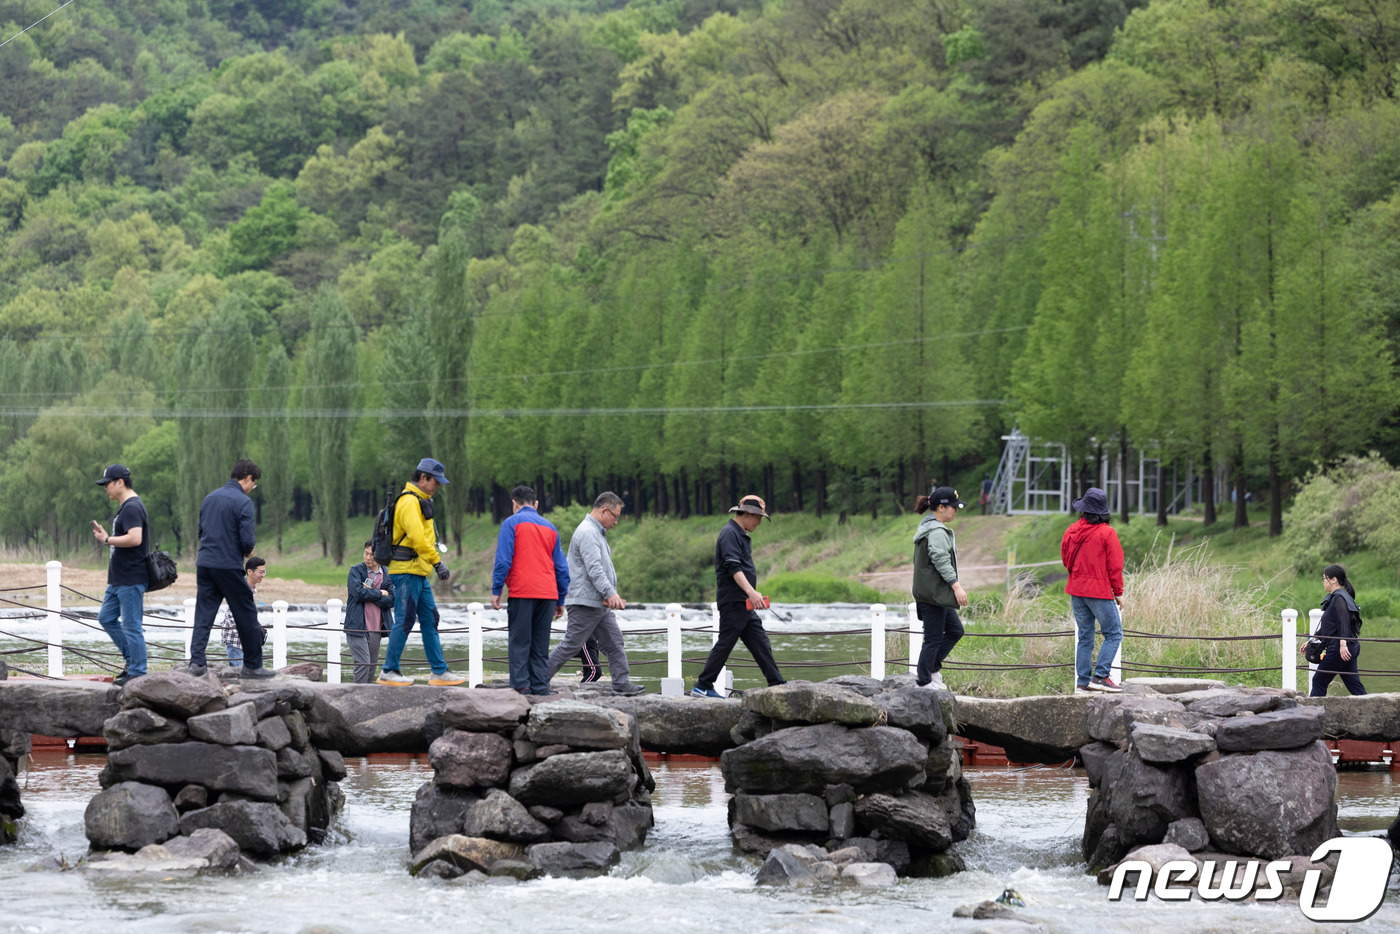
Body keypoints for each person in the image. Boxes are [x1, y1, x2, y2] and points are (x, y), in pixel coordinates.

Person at [544, 492, 646, 696]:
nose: (617, 521)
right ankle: (538, 679)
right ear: (604, 510)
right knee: (572, 644)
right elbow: (595, 568)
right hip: (586, 602)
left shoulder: (595, 532)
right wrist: (611, 593)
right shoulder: (588, 532)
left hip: (598, 602)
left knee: (614, 641)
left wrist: (609, 596)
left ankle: (621, 683)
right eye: (615, 516)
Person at [378, 458, 466, 686]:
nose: (438, 486)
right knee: (405, 619)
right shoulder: (409, 501)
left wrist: (431, 565)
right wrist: (438, 563)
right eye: (435, 481)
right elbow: (417, 538)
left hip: (418, 571)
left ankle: (439, 671)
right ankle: (389, 670)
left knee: (430, 618)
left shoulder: (420, 501)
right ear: (423, 478)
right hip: (407, 570)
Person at [691, 494, 786, 698]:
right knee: (725, 643)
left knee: (760, 641)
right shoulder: (729, 534)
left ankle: (777, 683)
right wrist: (752, 592)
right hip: (735, 602)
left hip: (743, 603)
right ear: (746, 514)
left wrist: (750, 596)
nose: (759, 522)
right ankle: (703, 685)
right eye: (758, 518)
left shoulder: (739, 534)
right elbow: (733, 567)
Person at [189, 460, 272, 679]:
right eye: (253, 483)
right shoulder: (243, 502)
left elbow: (201, 532)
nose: (252, 488)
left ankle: (197, 663)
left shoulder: (210, 498)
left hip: (205, 563)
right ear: (247, 479)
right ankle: (253, 666)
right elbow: (246, 541)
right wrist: (248, 550)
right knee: (246, 613)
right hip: (227, 565)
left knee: (204, 613)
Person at [492, 485, 570, 695]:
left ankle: (522, 687)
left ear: (514, 504)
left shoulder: (511, 523)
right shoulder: (551, 528)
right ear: (536, 504)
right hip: (548, 593)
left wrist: (496, 589)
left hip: (522, 591)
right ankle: (541, 686)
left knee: (519, 641)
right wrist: (560, 599)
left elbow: (503, 560)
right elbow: (562, 568)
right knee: (540, 643)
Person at [1062, 487, 1124, 693]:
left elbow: (1065, 559)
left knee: (1085, 636)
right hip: (1098, 591)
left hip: (1076, 590)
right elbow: (1114, 566)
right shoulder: (1108, 533)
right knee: (1114, 633)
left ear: (1083, 510)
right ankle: (1101, 676)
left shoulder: (1071, 531)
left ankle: (1083, 681)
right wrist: (1118, 592)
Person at [91, 464, 149, 687]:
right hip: (118, 578)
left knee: (132, 625)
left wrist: (107, 540)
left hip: (131, 577)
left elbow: (135, 538)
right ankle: (132, 662)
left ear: (119, 482)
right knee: (105, 618)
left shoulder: (133, 507)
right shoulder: (126, 507)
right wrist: (108, 537)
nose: (105, 488)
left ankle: (138, 672)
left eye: (107, 484)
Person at [912, 486, 968, 691]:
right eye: (953, 507)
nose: (956, 511)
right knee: (933, 639)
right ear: (942, 507)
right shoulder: (935, 531)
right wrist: (956, 586)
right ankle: (924, 681)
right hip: (933, 595)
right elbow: (940, 559)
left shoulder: (930, 525)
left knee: (955, 630)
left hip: (936, 594)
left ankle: (933, 669)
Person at [1304, 564, 1367, 697]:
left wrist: (1342, 645)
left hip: (1339, 649)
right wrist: (1312, 639)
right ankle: (1375, 710)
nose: (1323, 582)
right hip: (1350, 647)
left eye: (1324, 579)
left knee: (1319, 681)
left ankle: (1312, 713)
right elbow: (1329, 626)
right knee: (1354, 685)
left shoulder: (1339, 598)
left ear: (1333, 579)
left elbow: (1343, 623)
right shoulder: (1342, 597)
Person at [346, 540, 396, 685]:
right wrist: (381, 593)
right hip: (357, 627)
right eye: (366, 553)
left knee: (371, 665)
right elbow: (358, 594)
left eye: (372, 555)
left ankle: (366, 697)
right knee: (363, 663)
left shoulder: (388, 574)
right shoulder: (355, 571)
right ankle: (357, 697)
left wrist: (370, 592)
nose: (368, 558)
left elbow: (393, 599)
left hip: (376, 628)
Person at [220, 556, 267, 667]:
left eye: (265, 572)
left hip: (245, 641)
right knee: (238, 673)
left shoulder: (251, 589)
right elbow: (232, 617)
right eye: (261, 572)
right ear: (249, 572)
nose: (263, 575)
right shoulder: (240, 589)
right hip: (236, 640)